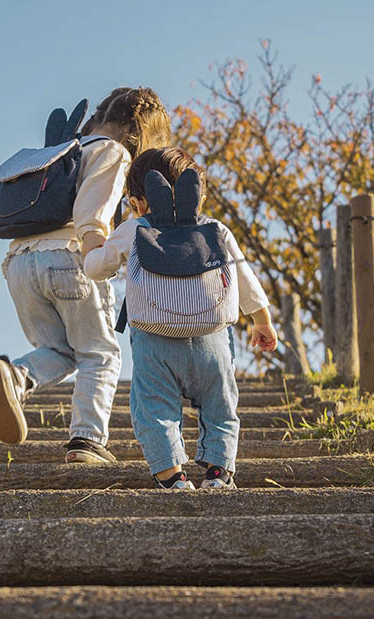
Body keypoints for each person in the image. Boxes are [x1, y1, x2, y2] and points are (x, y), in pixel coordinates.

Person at [0, 88, 171, 464]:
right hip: (70, 258)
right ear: (138, 137)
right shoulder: (112, 151)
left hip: (19, 262)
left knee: (59, 350)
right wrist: (98, 258)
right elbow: (92, 213)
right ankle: (87, 441)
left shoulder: (63, 150)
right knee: (100, 354)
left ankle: (16, 375)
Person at [83, 147, 278, 488]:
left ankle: (172, 475)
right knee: (220, 405)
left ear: (136, 202)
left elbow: (97, 268)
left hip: (154, 341)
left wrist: (93, 246)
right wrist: (262, 320)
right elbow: (244, 277)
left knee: (154, 410)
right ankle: (219, 471)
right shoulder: (216, 229)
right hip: (212, 340)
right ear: (196, 197)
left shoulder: (134, 228)